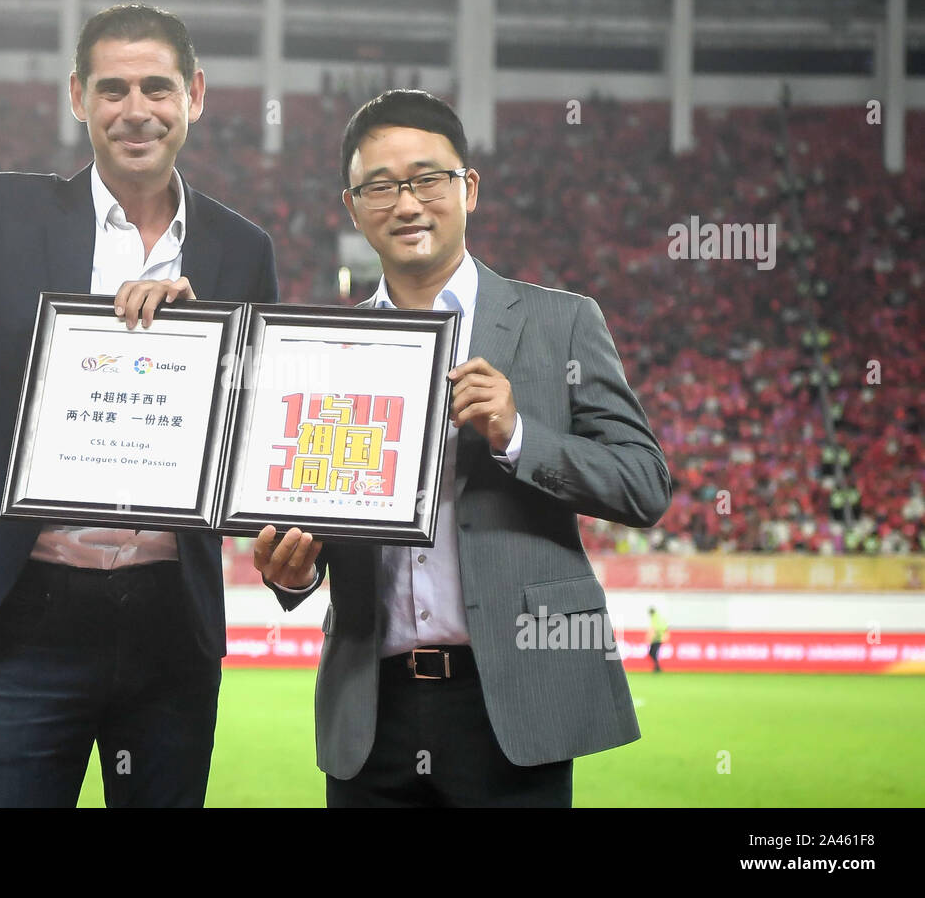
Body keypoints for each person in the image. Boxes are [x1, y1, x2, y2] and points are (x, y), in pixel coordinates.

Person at [0, 4, 277, 807]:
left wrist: (195, 347)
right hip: (32, 604)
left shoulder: (242, 251)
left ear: (196, 94)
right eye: (112, 89)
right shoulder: (4, 210)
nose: (135, 109)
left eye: (156, 87)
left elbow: (251, 432)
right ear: (78, 96)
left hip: (172, 623)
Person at [254, 90, 670, 807]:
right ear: (352, 208)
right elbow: (312, 523)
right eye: (379, 186)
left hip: (514, 703)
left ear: (468, 188)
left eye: (427, 178)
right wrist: (293, 572)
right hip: (371, 714)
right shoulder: (326, 356)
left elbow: (644, 484)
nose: (406, 203)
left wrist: (518, 436)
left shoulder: (561, 323)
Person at [648, 606, 670, 673]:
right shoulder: (658, 617)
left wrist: (653, 634)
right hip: (657, 638)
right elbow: (665, 626)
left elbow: (656, 627)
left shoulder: (655, 618)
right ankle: (657, 667)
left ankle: (657, 667)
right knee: (653, 653)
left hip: (657, 638)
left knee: (652, 653)